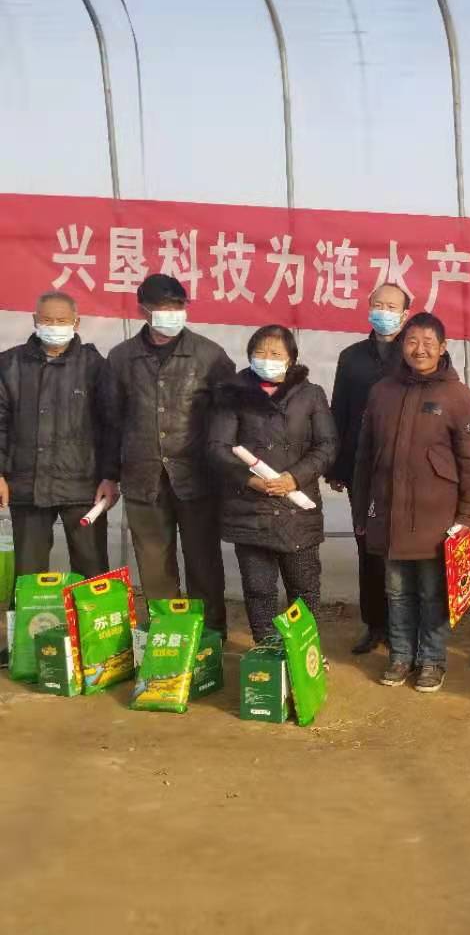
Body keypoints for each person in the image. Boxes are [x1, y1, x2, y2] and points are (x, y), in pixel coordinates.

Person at [351, 313, 470, 694]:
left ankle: (431, 660)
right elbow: (364, 458)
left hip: (436, 521)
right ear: (402, 346)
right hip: (390, 515)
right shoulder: (382, 392)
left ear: (443, 347)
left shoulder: (459, 397)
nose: (420, 349)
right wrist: (361, 512)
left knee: (432, 593)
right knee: (396, 592)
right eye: (412, 341)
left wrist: (467, 519)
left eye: (428, 342)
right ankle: (400, 655)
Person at [105, 274, 234, 634]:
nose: (171, 314)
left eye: (177, 307)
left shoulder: (210, 356)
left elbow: (230, 417)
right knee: (154, 564)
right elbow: (111, 421)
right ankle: (169, 636)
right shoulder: (121, 358)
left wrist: (226, 468)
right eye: (162, 307)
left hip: (197, 478)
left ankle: (210, 636)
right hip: (142, 477)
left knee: (203, 561)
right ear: (143, 310)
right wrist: (109, 475)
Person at [208, 326, 337, 646]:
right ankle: (266, 650)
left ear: (291, 359)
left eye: (276, 353)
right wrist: (250, 479)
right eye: (260, 352)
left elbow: (327, 444)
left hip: (297, 507)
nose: (267, 359)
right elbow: (218, 447)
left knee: (304, 587)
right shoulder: (232, 393)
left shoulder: (311, 394)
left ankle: (304, 651)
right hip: (250, 508)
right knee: (259, 588)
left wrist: (294, 477)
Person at [0, 292, 119, 581]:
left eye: (62, 320)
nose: (54, 326)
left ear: (76, 323)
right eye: (47, 320)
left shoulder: (96, 366)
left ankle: (91, 614)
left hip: (85, 488)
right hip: (27, 485)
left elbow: (112, 426)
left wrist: (110, 476)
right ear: (34, 320)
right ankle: (29, 614)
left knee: (92, 572)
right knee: (28, 575)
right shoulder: (9, 364)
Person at [328, 283, 409, 655]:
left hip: (404, 470)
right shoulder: (352, 357)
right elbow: (339, 411)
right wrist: (336, 466)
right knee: (367, 547)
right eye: (379, 304)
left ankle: (402, 625)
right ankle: (374, 624)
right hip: (361, 470)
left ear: (405, 314)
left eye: (392, 306)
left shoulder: (416, 353)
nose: (384, 311)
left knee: (402, 548)